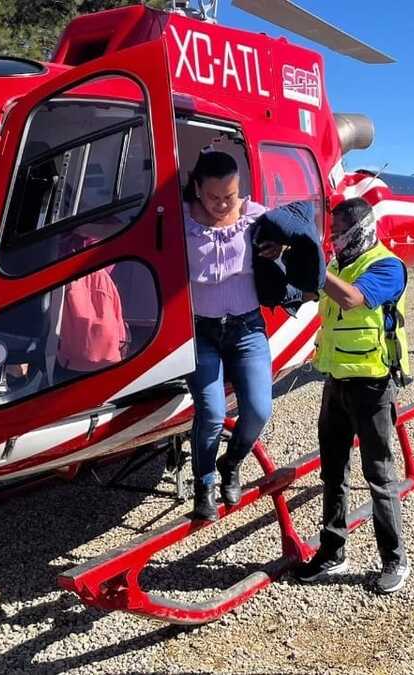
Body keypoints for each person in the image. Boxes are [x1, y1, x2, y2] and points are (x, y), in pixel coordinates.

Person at [295, 197, 412, 594]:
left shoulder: (387, 266)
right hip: (336, 385)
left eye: (340, 231)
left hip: (373, 386)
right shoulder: (336, 267)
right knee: (333, 473)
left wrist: (315, 269)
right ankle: (332, 551)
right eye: (332, 231)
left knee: (378, 474)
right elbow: (314, 297)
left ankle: (395, 559)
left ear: (360, 229)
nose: (334, 238)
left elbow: (351, 298)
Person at [183, 148, 278, 521]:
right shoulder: (181, 222)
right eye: (213, 197)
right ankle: (204, 482)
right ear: (196, 189)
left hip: (246, 327)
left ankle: (232, 462)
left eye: (230, 196)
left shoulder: (255, 218)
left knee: (258, 409)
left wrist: (279, 248)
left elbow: (294, 236)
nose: (223, 205)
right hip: (201, 331)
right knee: (210, 413)